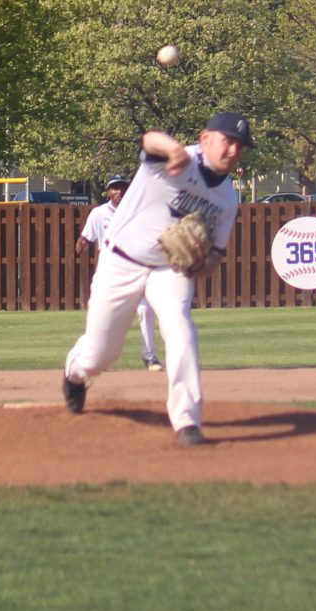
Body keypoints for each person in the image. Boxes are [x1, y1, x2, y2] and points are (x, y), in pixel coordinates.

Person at [61, 110, 252, 445]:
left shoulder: (226, 198)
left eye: (240, 146)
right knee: (101, 353)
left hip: (169, 270)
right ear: (206, 138)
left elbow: (216, 256)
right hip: (121, 260)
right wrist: (173, 148)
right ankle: (74, 374)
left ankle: (187, 420)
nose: (233, 150)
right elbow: (150, 139)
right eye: (228, 141)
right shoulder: (177, 159)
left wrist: (201, 263)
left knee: (181, 329)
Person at [75, 174, 161, 369]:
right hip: (109, 273)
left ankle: (150, 357)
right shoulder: (98, 214)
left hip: (135, 270)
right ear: (108, 192)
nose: (119, 191)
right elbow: (85, 238)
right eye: (115, 188)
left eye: (123, 187)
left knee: (145, 309)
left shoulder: (139, 212)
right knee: (101, 316)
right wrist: (81, 245)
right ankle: (93, 357)